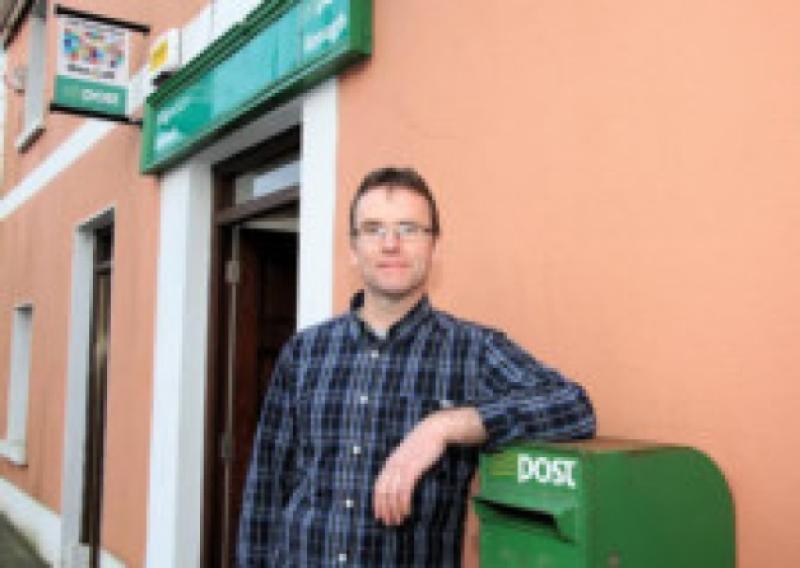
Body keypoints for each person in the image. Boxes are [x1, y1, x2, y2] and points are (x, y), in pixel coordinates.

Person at [237, 166, 596, 567]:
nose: (391, 244)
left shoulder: (472, 350)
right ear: (353, 250)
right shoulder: (303, 353)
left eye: (409, 229)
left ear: (434, 247)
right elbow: (265, 493)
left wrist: (441, 426)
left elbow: (574, 406)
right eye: (373, 229)